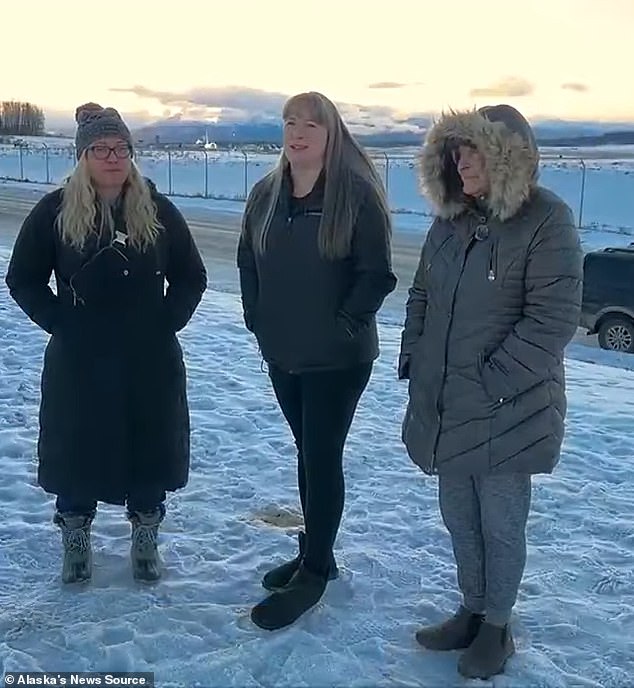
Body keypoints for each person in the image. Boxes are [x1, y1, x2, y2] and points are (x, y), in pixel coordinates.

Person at [399, 104, 583, 679]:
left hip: (509, 408)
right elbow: (422, 296)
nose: (461, 160)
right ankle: (472, 611)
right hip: (449, 402)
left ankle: (497, 627)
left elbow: (551, 321)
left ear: (505, 156)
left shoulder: (548, 219)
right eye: (455, 150)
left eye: (473, 149)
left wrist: (491, 382)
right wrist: (415, 356)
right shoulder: (449, 221)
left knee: (501, 523)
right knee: (460, 518)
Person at [5, 103, 207, 584]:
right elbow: (23, 278)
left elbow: (191, 276)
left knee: (148, 447)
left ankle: (145, 537)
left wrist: (166, 322)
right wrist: (61, 322)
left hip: (148, 357)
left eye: (120, 148)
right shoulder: (54, 210)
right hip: (80, 358)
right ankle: (75, 538)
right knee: (77, 449)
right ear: (83, 155)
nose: (112, 157)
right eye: (100, 148)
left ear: (131, 154)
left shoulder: (157, 209)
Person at [237, 91, 397, 630]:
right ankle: (315, 550)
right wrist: (256, 316)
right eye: (289, 122)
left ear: (332, 135)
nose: (297, 132)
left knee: (322, 454)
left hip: (337, 358)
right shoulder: (266, 193)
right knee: (307, 451)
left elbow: (376, 274)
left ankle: (315, 569)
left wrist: (344, 323)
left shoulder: (354, 196)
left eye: (311, 124)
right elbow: (247, 259)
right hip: (283, 353)